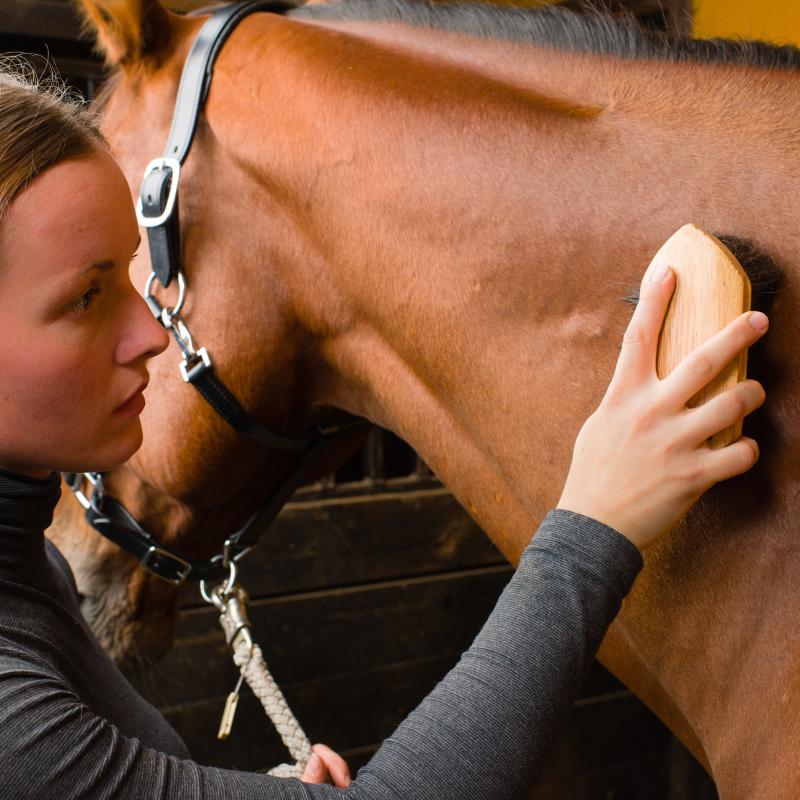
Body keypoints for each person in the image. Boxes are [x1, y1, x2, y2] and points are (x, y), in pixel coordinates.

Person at [0, 66, 767, 799]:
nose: (152, 336)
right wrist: (595, 524)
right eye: (85, 298)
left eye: (129, 274)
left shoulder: (35, 566)